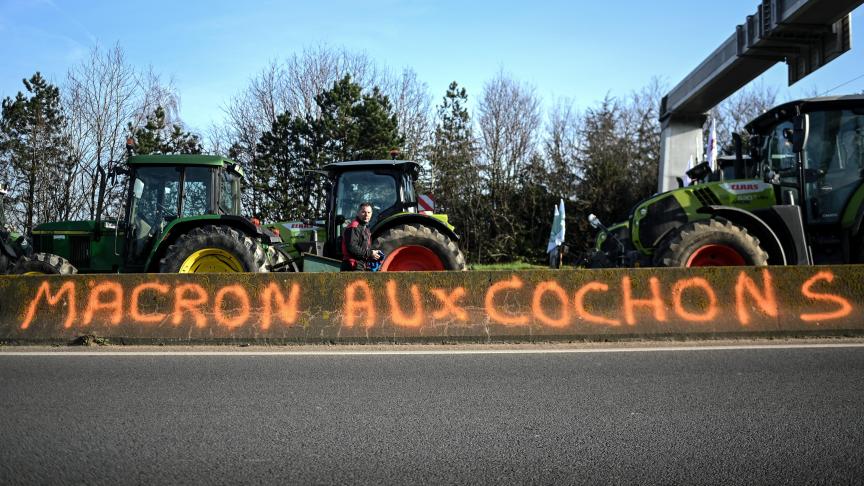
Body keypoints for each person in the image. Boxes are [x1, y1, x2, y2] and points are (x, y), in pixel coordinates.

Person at [341, 202, 383, 271]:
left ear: (371, 214)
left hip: (360, 265)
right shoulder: (354, 227)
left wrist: (373, 253)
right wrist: (370, 253)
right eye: (363, 212)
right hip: (352, 266)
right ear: (358, 213)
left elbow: (363, 248)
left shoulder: (366, 229)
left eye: (369, 212)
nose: (367, 215)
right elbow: (352, 247)